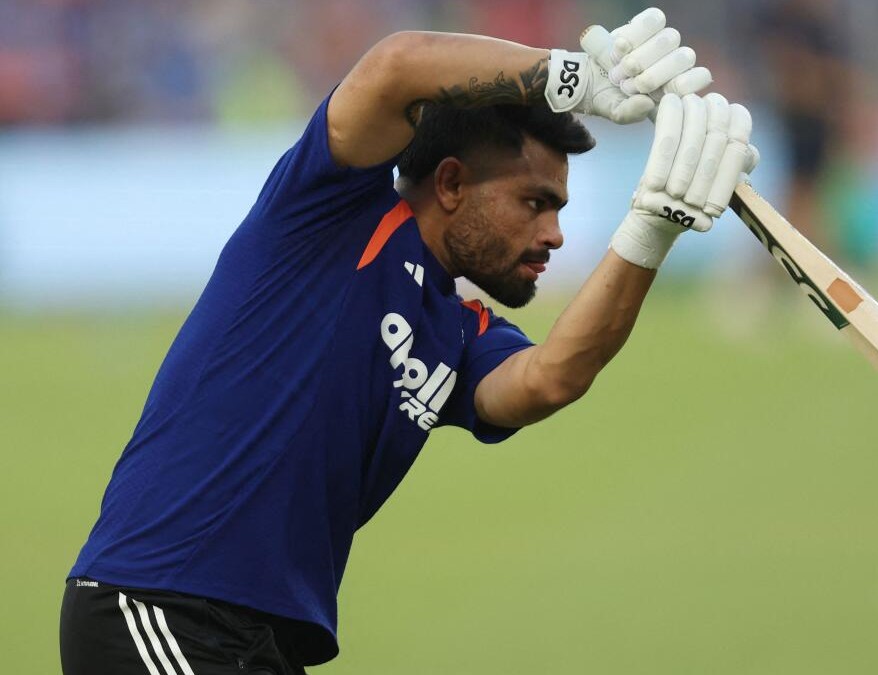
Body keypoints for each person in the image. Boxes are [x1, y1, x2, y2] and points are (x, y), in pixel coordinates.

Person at [59, 9, 757, 674]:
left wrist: (650, 228)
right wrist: (570, 78)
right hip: (160, 603)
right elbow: (395, 66)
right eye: (534, 202)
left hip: (249, 636)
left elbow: (550, 376)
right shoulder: (331, 211)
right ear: (450, 183)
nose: (553, 235)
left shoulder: (457, 330)